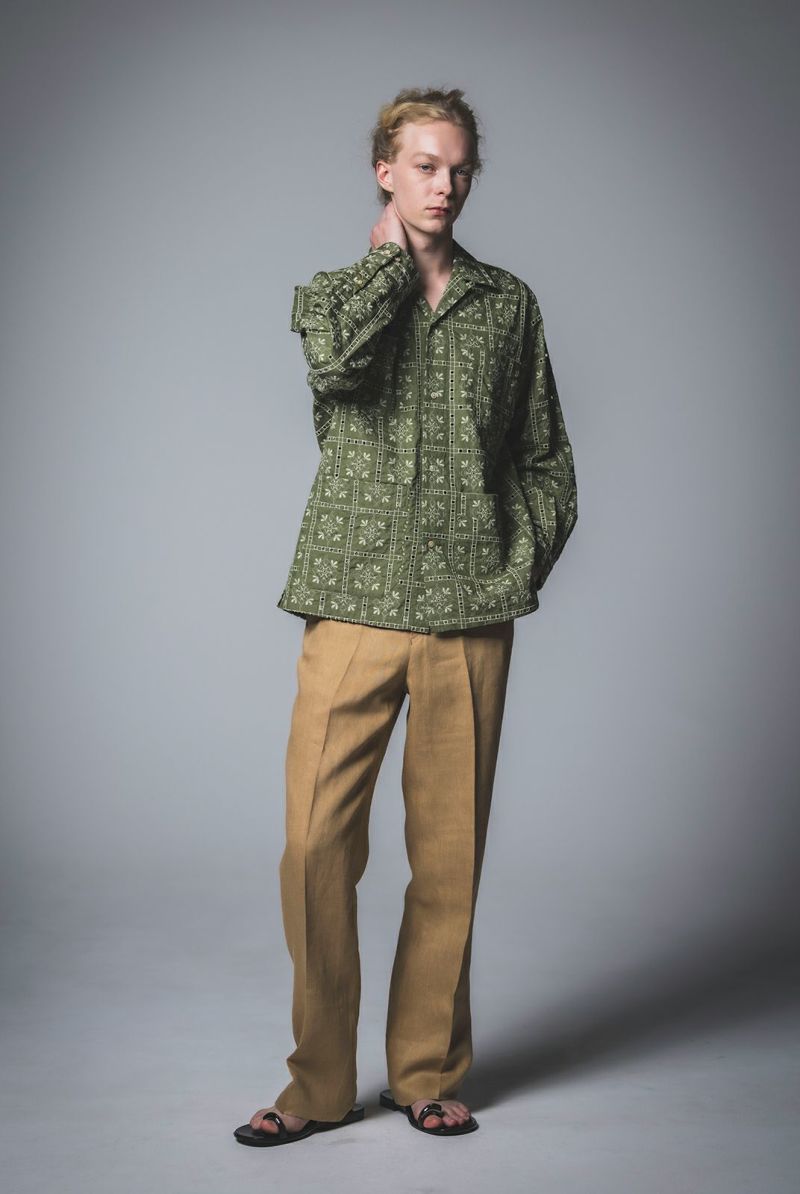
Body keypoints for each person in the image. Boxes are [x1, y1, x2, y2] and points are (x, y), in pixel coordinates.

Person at [233, 86, 578, 1147]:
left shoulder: (507, 305)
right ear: (384, 170)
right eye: (424, 165)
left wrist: (512, 557)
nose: (445, 184)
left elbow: (545, 457)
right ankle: (318, 1083)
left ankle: (425, 1068)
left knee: (449, 857)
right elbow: (336, 370)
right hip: (353, 602)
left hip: (468, 614)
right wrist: (388, 265)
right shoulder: (337, 296)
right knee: (313, 846)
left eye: (460, 166)